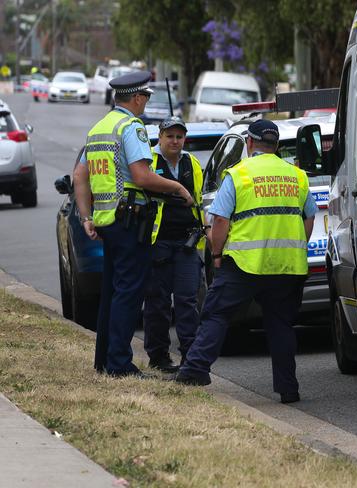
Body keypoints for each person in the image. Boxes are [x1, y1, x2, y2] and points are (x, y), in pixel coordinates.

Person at [174, 119, 316, 404]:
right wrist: (296, 246)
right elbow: (309, 216)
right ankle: (288, 389)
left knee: (216, 313)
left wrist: (216, 254)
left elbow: (221, 219)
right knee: (281, 325)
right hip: (287, 266)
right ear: (275, 145)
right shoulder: (296, 175)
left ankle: (195, 369)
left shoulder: (239, 174)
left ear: (249, 143)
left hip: (244, 264)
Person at [73, 71, 194, 378]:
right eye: (145, 99)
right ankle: (119, 364)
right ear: (137, 98)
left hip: (106, 220)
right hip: (129, 221)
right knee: (129, 292)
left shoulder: (100, 128)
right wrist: (178, 187)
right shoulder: (131, 127)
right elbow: (141, 176)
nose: (145, 105)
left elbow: (79, 177)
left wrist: (87, 217)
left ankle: (105, 360)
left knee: (113, 292)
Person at [143, 116, 205, 373]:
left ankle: (190, 356)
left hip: (187, 242)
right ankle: (158, 357)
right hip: (158, 242)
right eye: (170, 136)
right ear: (160, 136)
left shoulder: (192, 163)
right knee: (157, 301)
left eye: (179, 137)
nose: (175, 141)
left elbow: (199, 201)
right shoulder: (149, 161)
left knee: (187, 300)